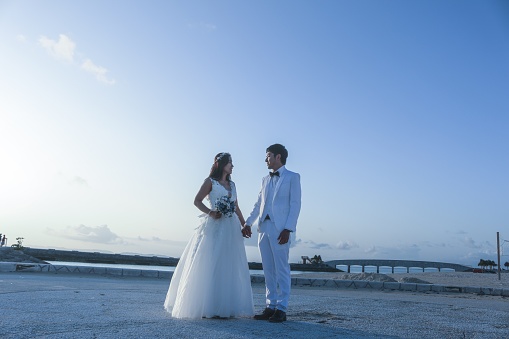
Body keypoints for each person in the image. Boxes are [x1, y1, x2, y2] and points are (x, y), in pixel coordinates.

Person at [164, 152, 254, 319]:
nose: (232, 166)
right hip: (215, 225)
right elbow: (197, 201)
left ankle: (225, 306)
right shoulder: (210, 182)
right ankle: (208, 305)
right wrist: (211, 212)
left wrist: (244, 224)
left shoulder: (232, 185)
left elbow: (236, 206)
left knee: (229, 264)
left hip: (231, 227)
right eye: (230, 163)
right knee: (210, 262)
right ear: (221, 164)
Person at [242, 143, 302, 323]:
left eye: (268, 156)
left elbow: (295, 204)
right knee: (268, 270)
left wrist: (288, 228)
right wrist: (248, 223)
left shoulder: (293, 177)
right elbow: (258, 204)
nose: (265, 159)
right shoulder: (265, 179)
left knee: (282, 268)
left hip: (281, 229)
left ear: (278, 157)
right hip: (264, 229)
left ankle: (282, 309)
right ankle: (270, 306)